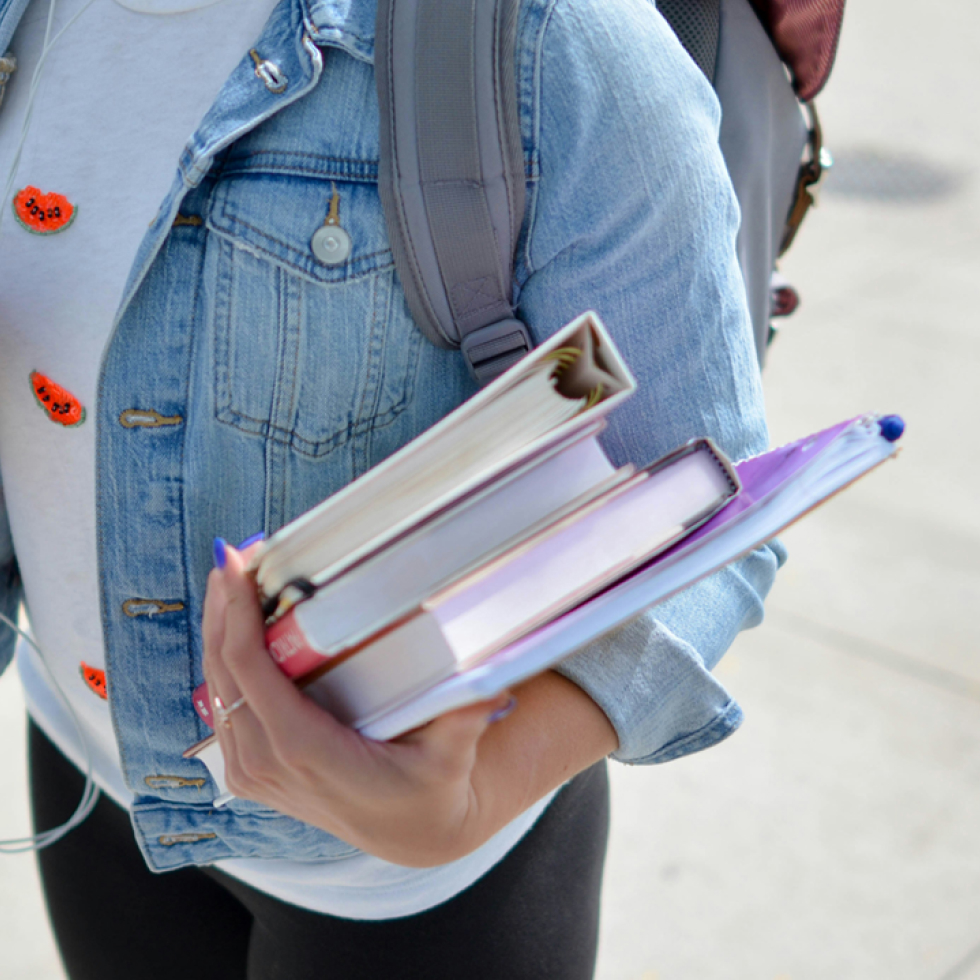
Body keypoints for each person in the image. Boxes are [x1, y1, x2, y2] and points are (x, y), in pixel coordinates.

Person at [0, 0, 784, 976]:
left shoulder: (548, 34)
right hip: (88, 774)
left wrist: (481, 787)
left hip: (415, 887)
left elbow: (705, 502)